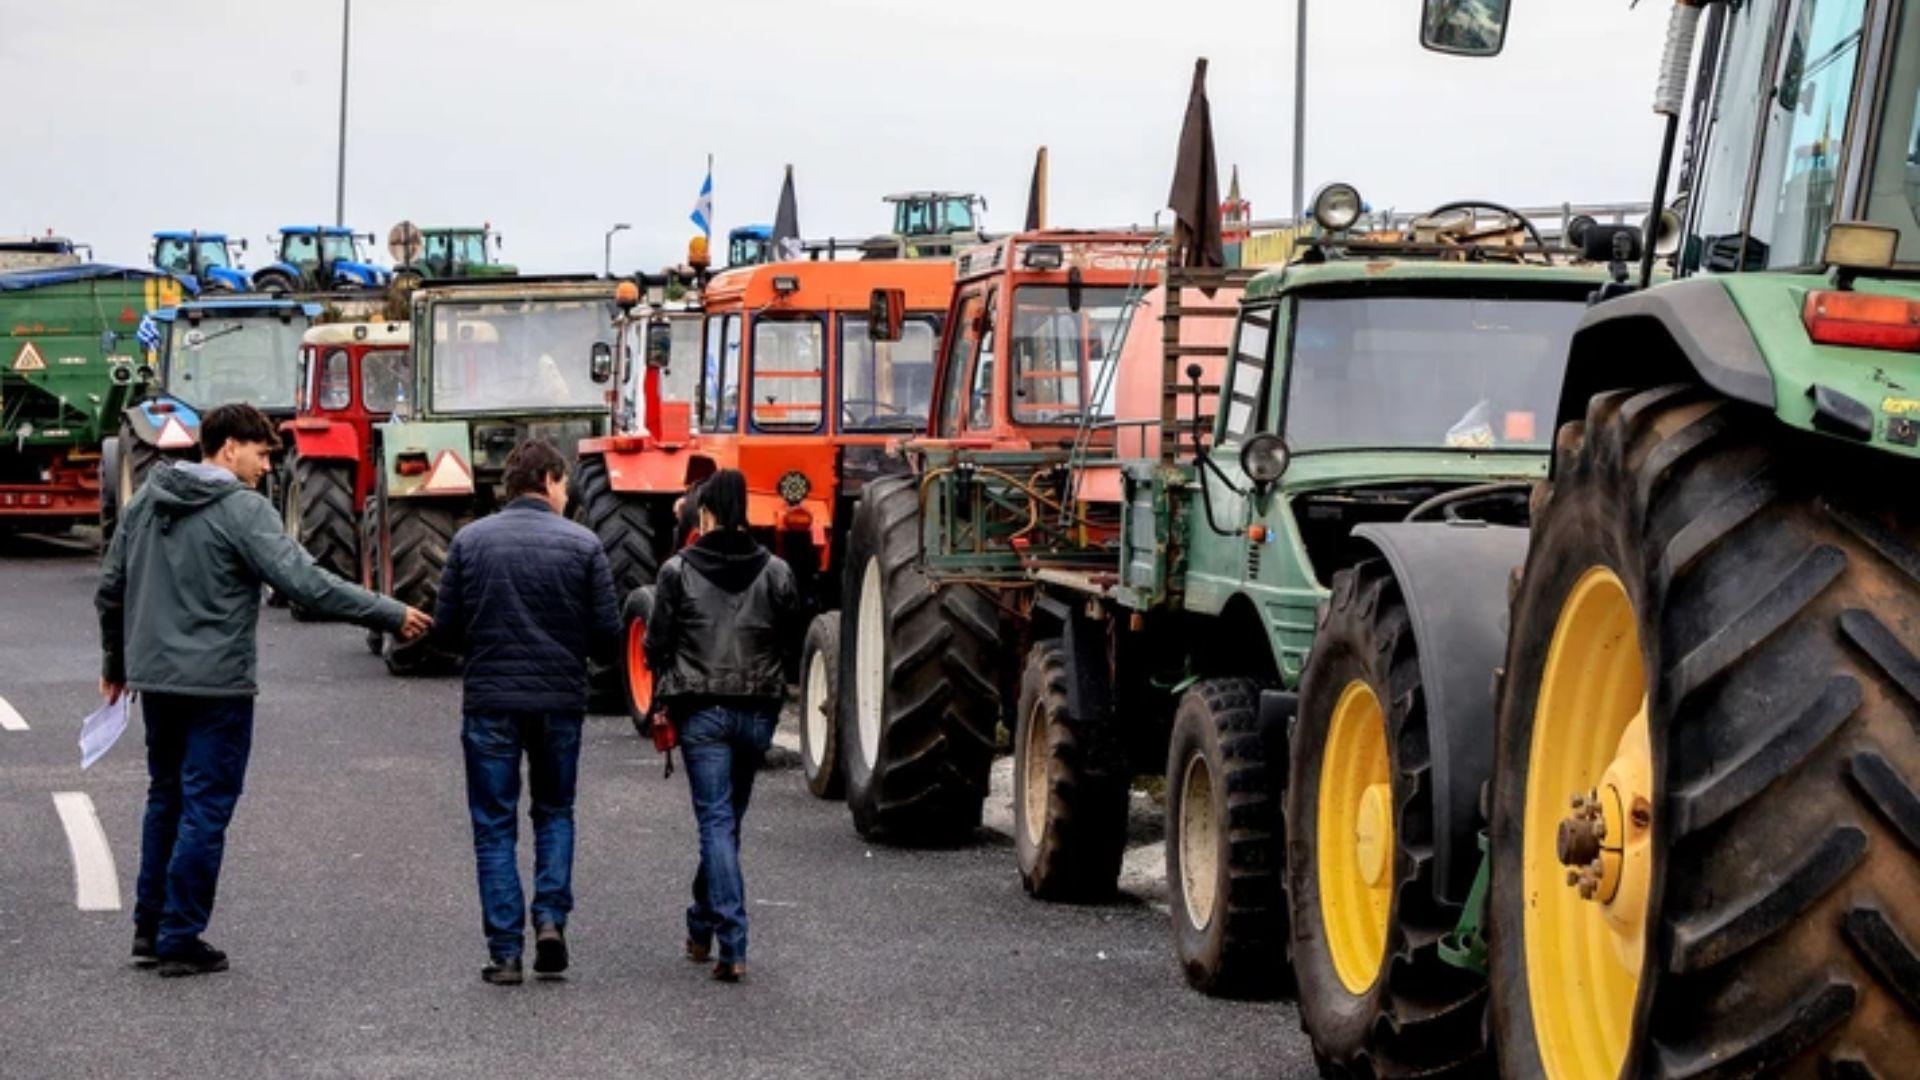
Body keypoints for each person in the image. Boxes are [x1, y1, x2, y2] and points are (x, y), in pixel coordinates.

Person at [96, 403, 431, 978]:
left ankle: (149, 929)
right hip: (218, 685)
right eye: (260, 453)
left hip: (157, 682)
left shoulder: (148, 499)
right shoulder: (242, 509)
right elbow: (305, 583)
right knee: (205, 806)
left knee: (165, 798)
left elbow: (111, 586)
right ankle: (180, 936)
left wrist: (116, 663)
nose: (267, 466)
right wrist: (388, 612)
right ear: (229, 448)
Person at [430, 438, 621, 985]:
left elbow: (446, 631)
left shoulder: (469, 541)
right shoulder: (584, 545)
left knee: (494, 825)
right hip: (559, 703)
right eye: (565, 485)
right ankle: (551, 920)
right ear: (550, 481)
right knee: (555, 811)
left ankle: (506, 953)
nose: (567, 495)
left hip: (490, 703)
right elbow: (608, 638)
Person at [644, 469, 798, 982]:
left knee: (716, 824)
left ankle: (732, 943)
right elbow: (791, 638)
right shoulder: (776, 571)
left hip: (701, 712)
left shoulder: (677, 571)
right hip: (757, 711)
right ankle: (700, 925)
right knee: (727, 824)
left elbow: (656, 644)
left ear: (705, 513)